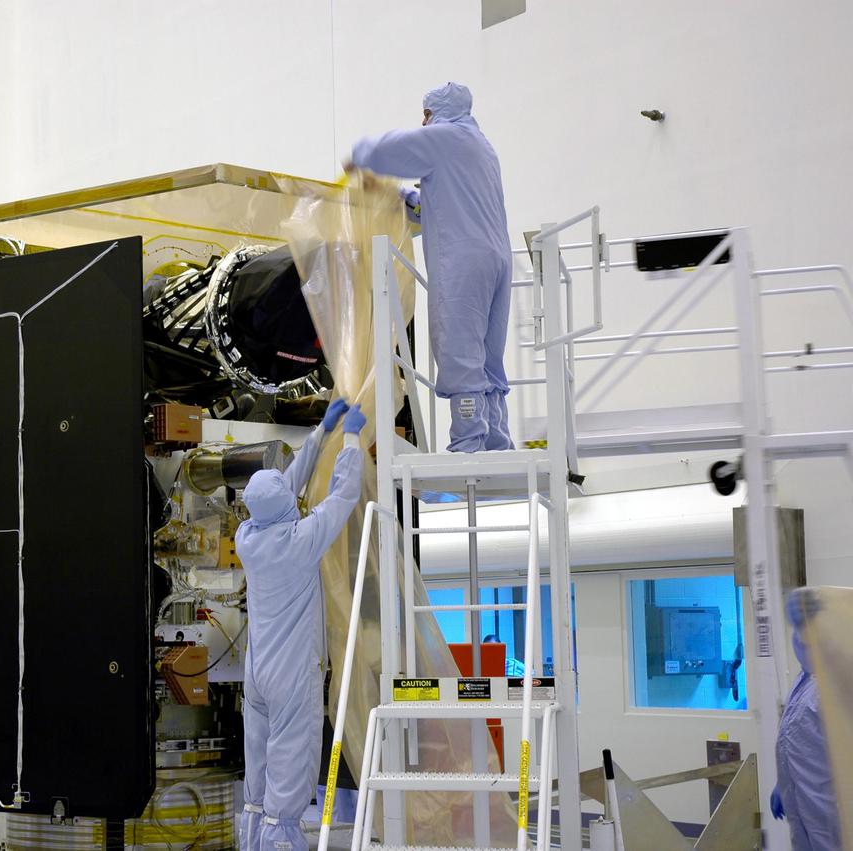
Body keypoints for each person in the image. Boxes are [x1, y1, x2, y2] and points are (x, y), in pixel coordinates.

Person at [347, 82, 513, 453]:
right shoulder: (481, 146)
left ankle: (469, 443)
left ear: (438, 111)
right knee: (488, 354)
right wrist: (409, 201)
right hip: (497, 258)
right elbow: (453, 201)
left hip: (464, 261)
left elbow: (390, 151)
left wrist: (359, 155)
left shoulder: (446, 136)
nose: (423, 122)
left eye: (426, 114)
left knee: (458, 343)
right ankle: (497, 442)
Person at [237, 397, 365, 851]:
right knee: (290, 768)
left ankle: (253, 842)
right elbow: (343, 495)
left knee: (258, 775)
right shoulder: (300, 541)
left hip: (257, 674)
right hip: (291, 674)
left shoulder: (248, 536)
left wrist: (320, 432)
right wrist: (351, 437)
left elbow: (281, 492)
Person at [771, 589, 841, 850]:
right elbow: (796, 742)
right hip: (800, 801)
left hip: (829, 804)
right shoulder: (804, 681)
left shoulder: (838, 682)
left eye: (805, 632)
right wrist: (783, 784)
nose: (799, 640)